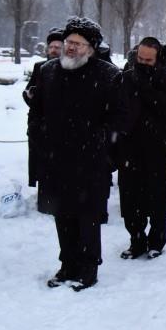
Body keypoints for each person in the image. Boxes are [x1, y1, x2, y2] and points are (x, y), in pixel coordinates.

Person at [29, 17, 127, 291]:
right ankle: (67, 263)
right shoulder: (48, 72)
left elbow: (120, 118)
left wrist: (102, 146)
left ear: (91, 48)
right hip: (55, 159)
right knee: (62, 214)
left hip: (90, 161)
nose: (71, 48)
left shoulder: (108, 75)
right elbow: (36, 113)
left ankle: (88, 267)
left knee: (87, 216)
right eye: (69, 42)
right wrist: (39, 140)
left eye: (78, 44)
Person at [116, 37, 166, 260]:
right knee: (130, 197)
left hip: (158, 147)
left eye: (148, 60)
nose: (142, 63)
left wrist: (145, 87)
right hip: (130, 147)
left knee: (157, 197)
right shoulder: (126, 77)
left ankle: (156, 240)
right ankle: (136, 239)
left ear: (157, 58)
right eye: (140, 58)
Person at [23, 27, 64, 214]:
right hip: (40, 124)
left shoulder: (66, 68)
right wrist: (30, 95)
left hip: (59, 125)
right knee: (42, 165)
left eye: (58, 46)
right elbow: (28, 91)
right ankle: (44, 201)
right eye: (52, 47)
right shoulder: (39, 67)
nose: (54, 50)